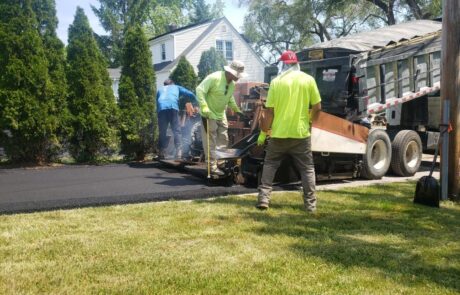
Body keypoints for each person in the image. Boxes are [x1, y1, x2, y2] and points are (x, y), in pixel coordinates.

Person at [256, 50, 322, 212]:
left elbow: (269, 112)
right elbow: (317, 107)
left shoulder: (276, 82)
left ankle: (264, 199)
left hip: (279, 134)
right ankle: (310, 205)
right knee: (307, 169)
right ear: (296, 63)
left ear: (283, 64)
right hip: (301, 134)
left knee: (270, 165)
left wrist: (264, 133)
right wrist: (310, 121)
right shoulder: (309, 80)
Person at [196, 60, 247, 176]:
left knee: (223, 139)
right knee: (211, 142)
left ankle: (221, 163)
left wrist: (237, 110)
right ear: (230, 72)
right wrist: (204, 107)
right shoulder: (214, 78)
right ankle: (212, 168)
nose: (238, 78)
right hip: (209, 114)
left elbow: (229, 98)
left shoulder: (232, 84)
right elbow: (199, 90)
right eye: (237, 75)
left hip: (220, 114)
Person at [156, 78, 197, 159]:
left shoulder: (160, 89)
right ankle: (179, 152)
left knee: (162, 131)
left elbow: (157, 102)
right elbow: (189, 93)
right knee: (176, 130)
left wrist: (159, 113)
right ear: (172, 83)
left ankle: (161, 152)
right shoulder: (176, 87)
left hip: (161, 108)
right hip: (172, 107)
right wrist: (195, 101)